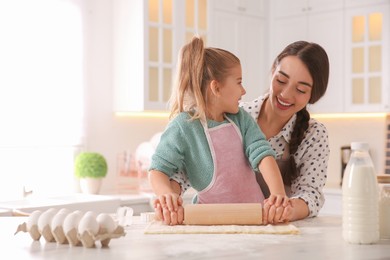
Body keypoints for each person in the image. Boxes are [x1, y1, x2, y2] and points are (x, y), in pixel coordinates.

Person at [156, 40, 331, 225]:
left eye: (300, 89)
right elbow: (186, 169)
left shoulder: (314, 134)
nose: (286, 94)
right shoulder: (233, 115)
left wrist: (283, 209)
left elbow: (311, 194)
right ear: (272, 72)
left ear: (313, 94)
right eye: (281, 80)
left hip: (274, 225)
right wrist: (169, 200)